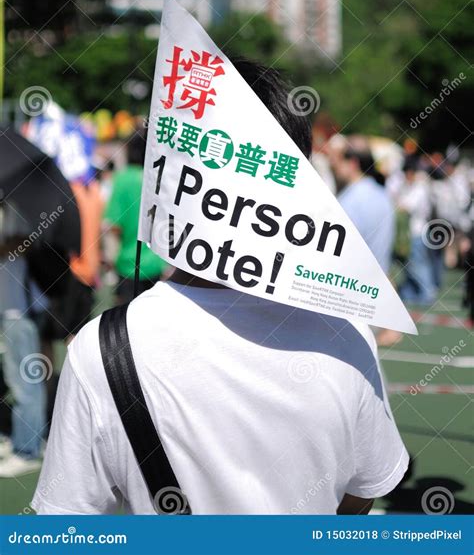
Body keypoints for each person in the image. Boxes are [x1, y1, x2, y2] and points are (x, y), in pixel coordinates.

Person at [32, 62, 408, 515]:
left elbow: (69, 523)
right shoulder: (346, 333)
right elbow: (363, 491)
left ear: (170, 175)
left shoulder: (102, 347)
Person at [0, 203, 47, 477]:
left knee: (24, 381)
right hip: (12, 306)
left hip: (20, 307)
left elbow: (28, 241)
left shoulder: (18, 206)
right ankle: (21, 439)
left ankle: (28, 448)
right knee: (16, 378)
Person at [103, 130, 168, 305]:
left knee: (125, 324)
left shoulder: (123, 179)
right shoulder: (159, 178)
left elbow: (114, 225)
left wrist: (109, 258)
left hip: (128, 265)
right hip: (156, 264)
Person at [331, 140, 395, 274]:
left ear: (353, 163)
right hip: (376, 281)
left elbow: (338, 249)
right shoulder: (383, 195)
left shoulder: (350, 199)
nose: (334, 165)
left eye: (339, 160)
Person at [395, 157, 436, 306]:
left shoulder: (419, 188)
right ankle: (412, 293)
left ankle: (427, 293)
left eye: (408, 173)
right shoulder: (408, 186)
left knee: (418, 264)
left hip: (417, 233)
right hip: (408, 234)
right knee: (409, 265)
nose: (406, 176)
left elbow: (406, 206)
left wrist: (396, 203)